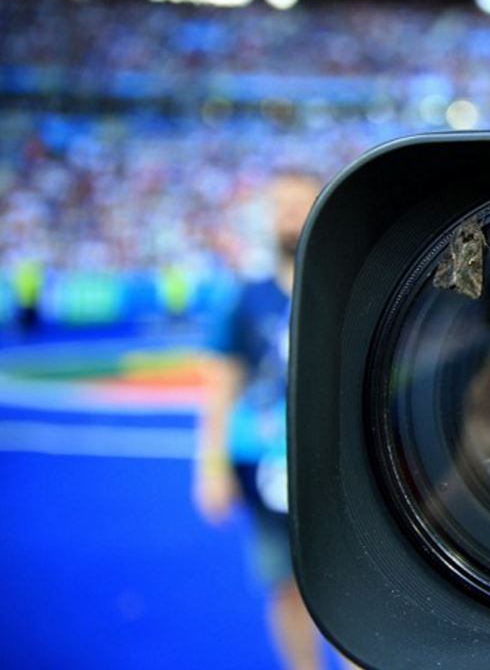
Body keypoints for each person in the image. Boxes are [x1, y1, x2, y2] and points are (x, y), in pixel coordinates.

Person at [193, 169, 353, 670]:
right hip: (265, 464)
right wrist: (210, 466)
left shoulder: (344, 289)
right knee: (284, 586)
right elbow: (222, 387)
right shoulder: (245, 298)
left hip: (338, 464)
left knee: (356, 586)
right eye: (279, 206)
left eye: (299, 205)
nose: (288, 216)